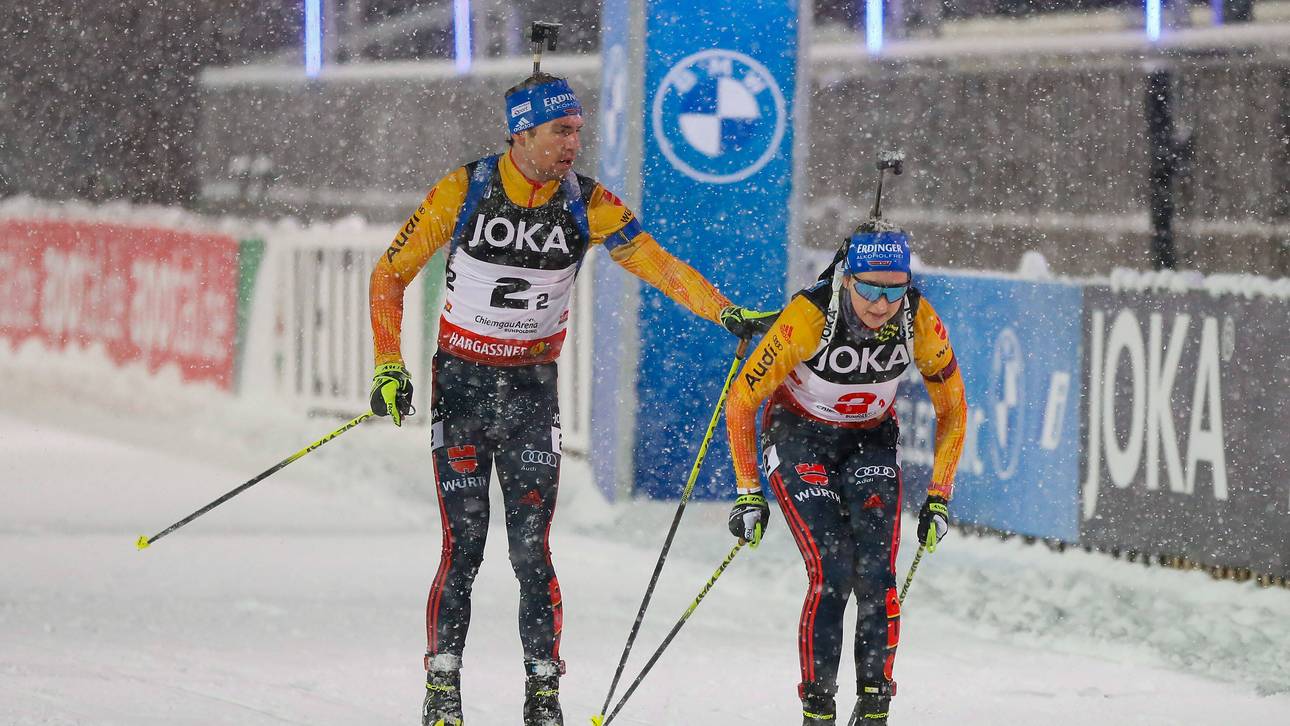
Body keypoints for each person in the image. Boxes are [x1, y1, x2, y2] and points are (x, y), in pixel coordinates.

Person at [367, 70, 776, 726]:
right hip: (463, 388)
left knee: (531, 550)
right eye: (560, 131)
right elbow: (390, 274)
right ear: (521, 133)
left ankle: (544, 694)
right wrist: (389, 363)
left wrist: (726, 313)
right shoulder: (464, 189)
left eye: (577, 132)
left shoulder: (588, 202)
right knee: (464, 545)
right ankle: (442, 688)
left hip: (531, 392)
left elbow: (659, 264)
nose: (572, 144)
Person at [723, 221, 967, 725]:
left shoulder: (917, 318)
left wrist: (939, 495)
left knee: (877, 577)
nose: (881, 305)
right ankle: (818, 710)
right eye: (870, 290)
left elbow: (954, 408)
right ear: (847, 278)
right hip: (799, 437)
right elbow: (743, 399)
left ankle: (875, 708)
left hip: (868, 440)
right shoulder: (810, 316)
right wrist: (748, 491)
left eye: (894, 290)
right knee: (833, 571)